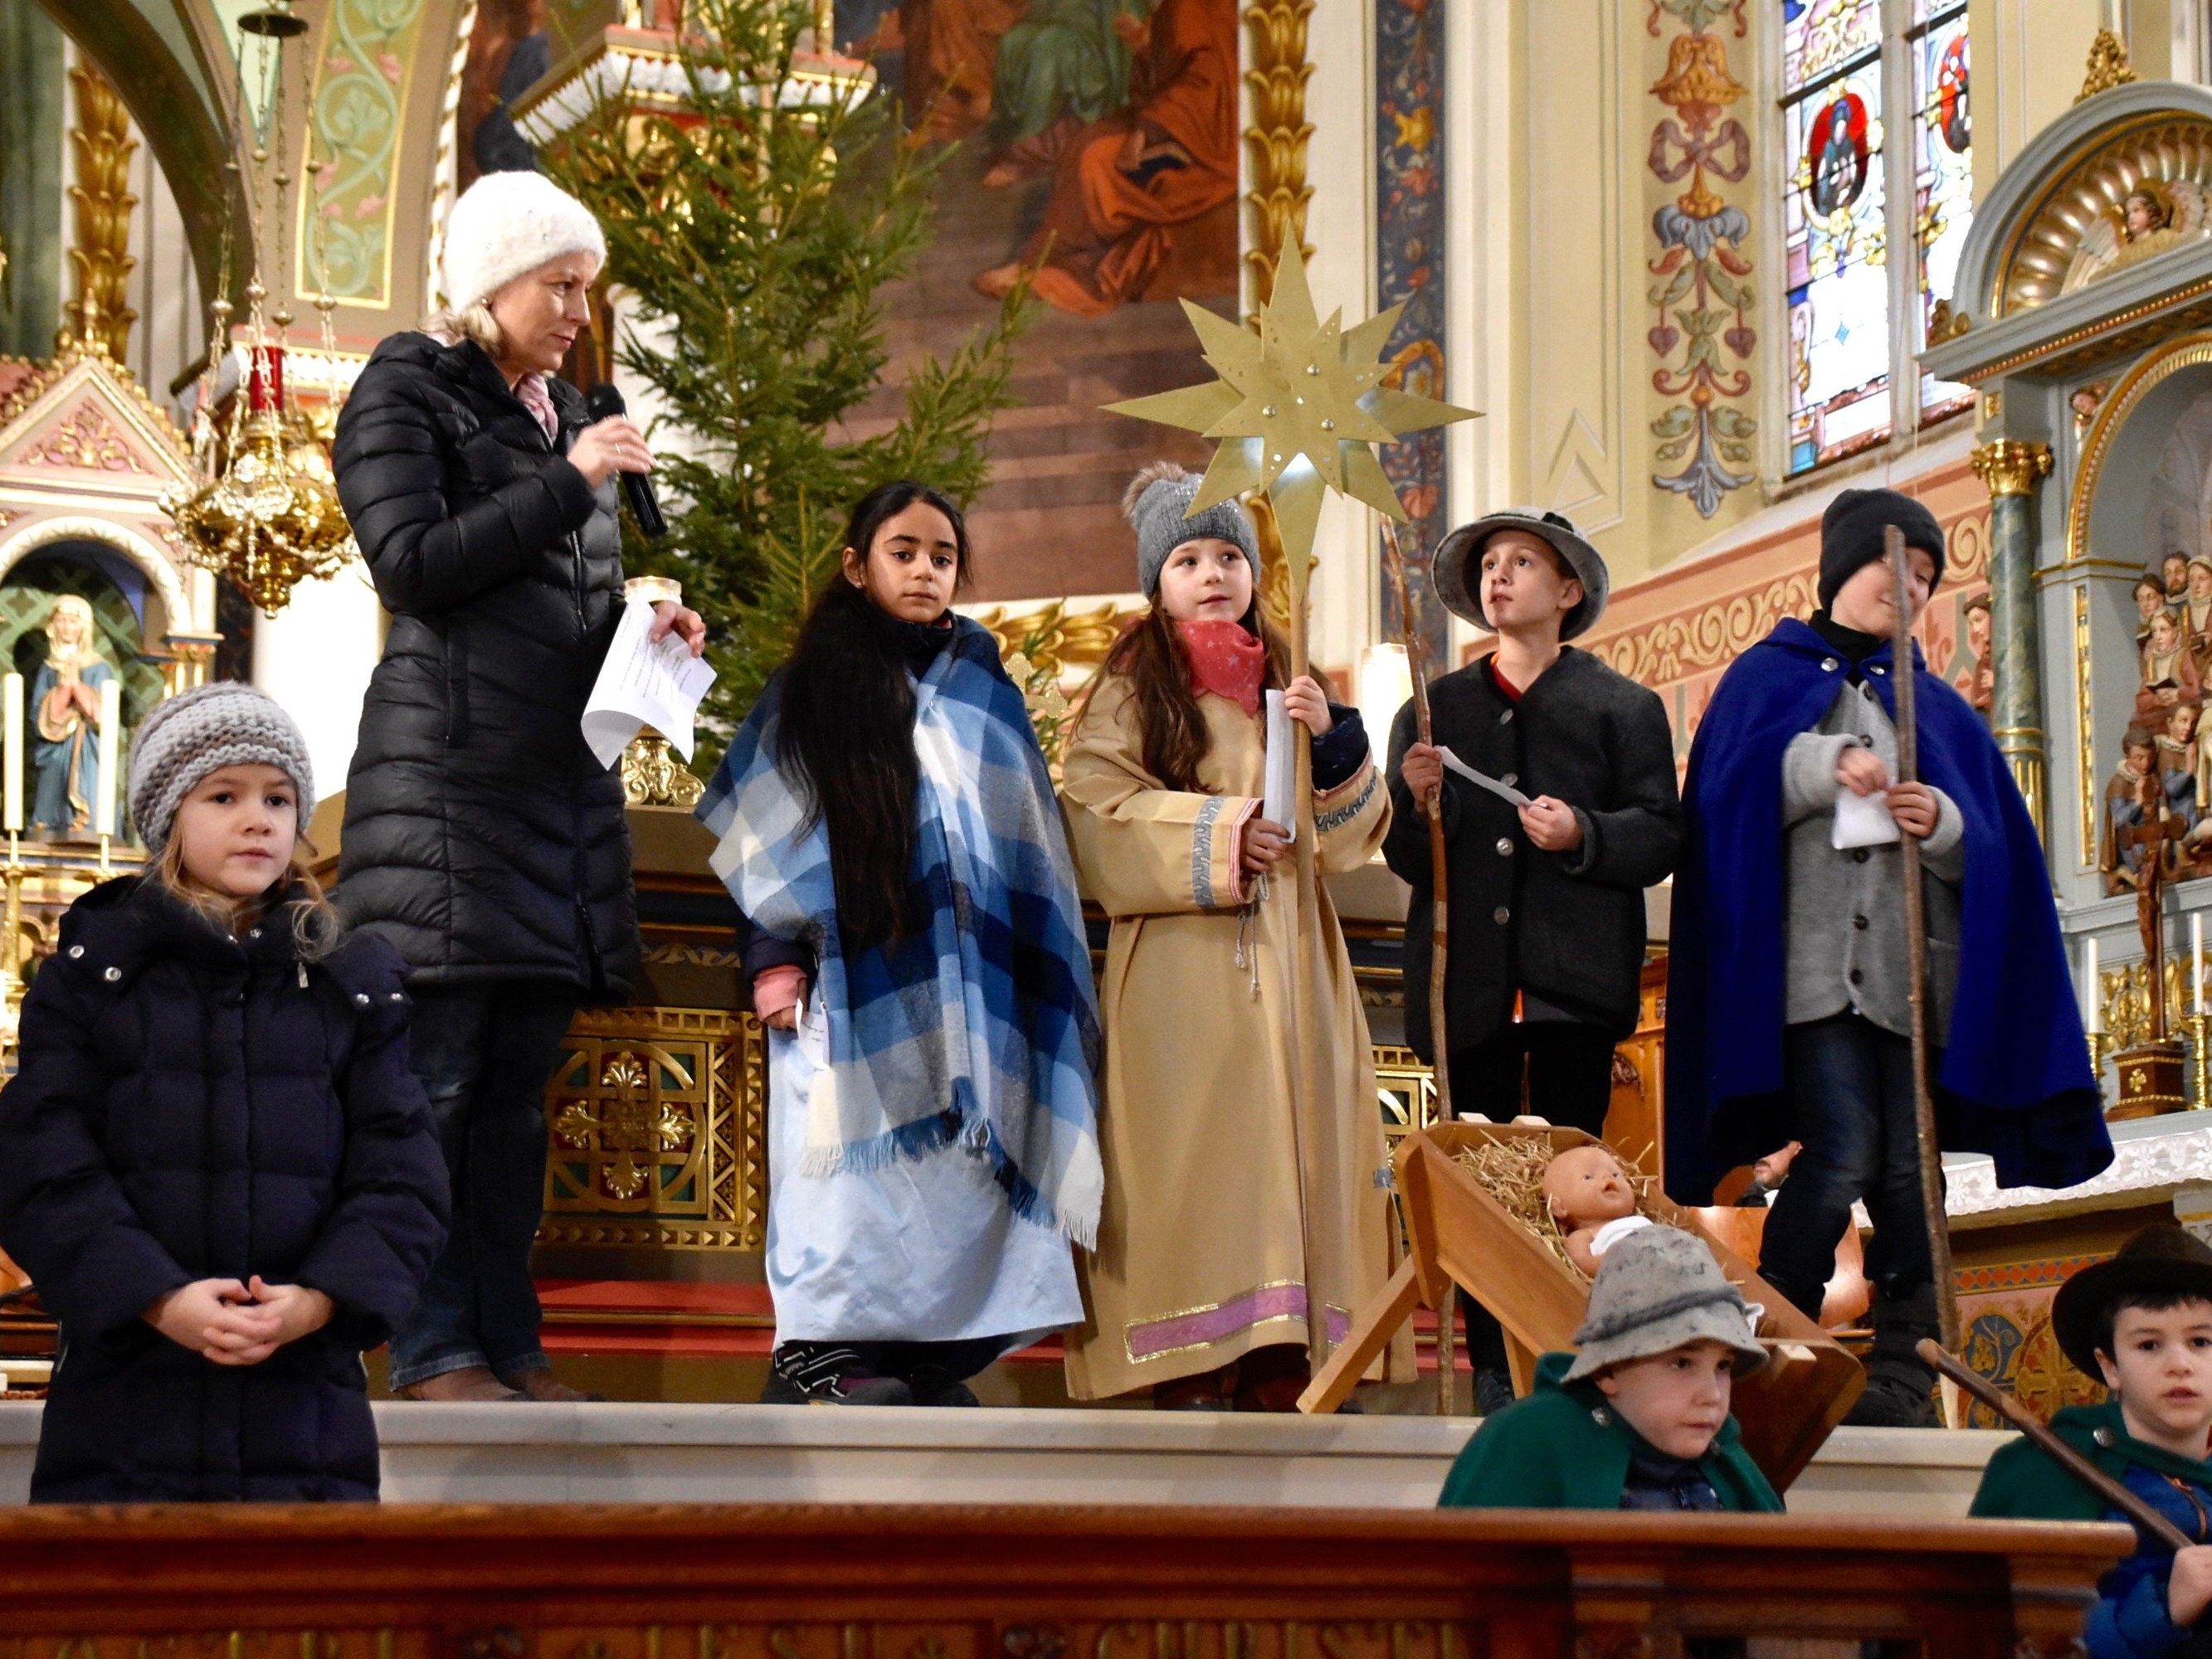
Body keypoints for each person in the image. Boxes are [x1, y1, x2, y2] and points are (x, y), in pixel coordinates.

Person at [332, 169, 705, 1404]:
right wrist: (571, 478)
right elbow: (414, 565)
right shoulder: (405, 389)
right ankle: (431, 1346)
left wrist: (649, 627)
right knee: (434, 1090)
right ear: (492, 280)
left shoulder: (563, 419)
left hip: (549, 798)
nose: (577, 313)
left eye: (586, 291)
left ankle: (508, 1342)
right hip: (444, 790)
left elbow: (553, 602)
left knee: (514, 1104)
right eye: (559, 285)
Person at [1666, 486, 2111, 1427]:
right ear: (1839, 569)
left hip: (1913, 986)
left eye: (1921, 578)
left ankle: (1907, 1373)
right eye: (1889, 569)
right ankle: (1765, 1332)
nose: (1905, 590)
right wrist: (1817, 765)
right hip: (1810, 980)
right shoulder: (1767, 678)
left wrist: (1941, 822)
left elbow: (1995, 844)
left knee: (1912, 1171)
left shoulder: (1935, 704)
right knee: (1841, 1151)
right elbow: (1722, 796)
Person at [699, 481, 1102, 1408]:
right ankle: (822, 1352)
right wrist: (772, 959)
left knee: (956, 1183)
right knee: (851, 1193)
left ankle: (929, 1357)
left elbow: (1025, 847)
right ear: (857, 564)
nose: (924, 570)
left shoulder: (984, 687)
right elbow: (767, 835)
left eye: (942, 556)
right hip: (850, 983)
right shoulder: (815, 686)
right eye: (903, 551)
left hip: (977, 992)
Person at [0, 684, 447, 1501]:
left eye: (278, 797)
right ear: (168, 813)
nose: (258, 818)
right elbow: (42, 1159)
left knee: (293, 1622)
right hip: (128, 1405)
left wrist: (319, 1300)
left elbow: (402, 1172)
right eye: (224, 794)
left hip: (304, 1410)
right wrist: (157, 1296)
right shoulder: (93, 980)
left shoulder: (350, 983)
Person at [1058, 460, 1408, 1409]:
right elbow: (1092, 809)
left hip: (1298, 967)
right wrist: (1220, 834)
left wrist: (1334, 742)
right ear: (1154, 582)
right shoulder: (1134, 686)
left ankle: (1291, 1355)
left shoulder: (1291, 680)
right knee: (1190, 1163)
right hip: (1184, 969)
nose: (1211, 572)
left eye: (1227, 554)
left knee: (1300, 1160)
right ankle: (1189, 1361)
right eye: (1186, 558)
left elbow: (1342, 847)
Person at [1384, 508, 1679, 1412]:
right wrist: (1418, 803)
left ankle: (1570, 1353)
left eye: (1520, 562)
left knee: (1569, 1180)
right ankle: (1487, 1370)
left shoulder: (1621, 707)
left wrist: (1582, 831)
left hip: (1570, 991)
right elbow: (1406, 860)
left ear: (1568, 589)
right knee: (1477, 1181)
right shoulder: (1430, 709)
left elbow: (1659, 835)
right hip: (1466, 987)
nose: (1498, 577)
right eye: (1487, 565)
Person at [1972, 1225, 2212, 1659]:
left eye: (2200, 1341)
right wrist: (2161, 1609)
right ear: (2111, 1366)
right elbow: (2010, 1634)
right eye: (2149, 1345)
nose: (2179, 1364)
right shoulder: (2046, 1472)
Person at [1437, 1225, 1780, 1513]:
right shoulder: (1529, 1440)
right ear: (1608, 1371)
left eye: (1723, 1366)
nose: (1713, 1396)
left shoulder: (1726, 1457)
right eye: (1682, 1363)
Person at [974, 0, 1237, 314]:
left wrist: (1144, 133)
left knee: (1095, 161)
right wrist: (1142, 48)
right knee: (1086, 144)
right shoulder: (1174, 7)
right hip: (1180, 128)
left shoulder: (1193, 7)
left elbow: (1207, 84)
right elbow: (1170, 72)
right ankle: (1045, 259)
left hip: (1204, 147)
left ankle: (1051, 266)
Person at [29, 594, 119, 839]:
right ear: (52, 625)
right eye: (61, 620)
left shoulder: (99, 667)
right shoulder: (48, 669)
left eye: (73, 621)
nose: (67, 627)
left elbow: (103, 716)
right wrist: (62, 691)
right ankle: (50, 827)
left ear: (84, 627)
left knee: (92, 792)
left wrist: (76, 685)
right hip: (56, 750)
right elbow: (40, 719)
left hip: (88, 748)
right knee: (52, 794)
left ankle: (87, 826)